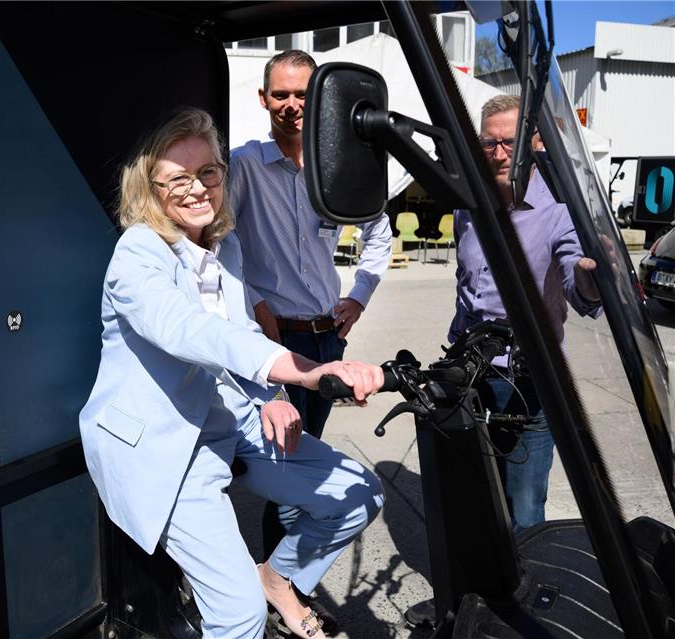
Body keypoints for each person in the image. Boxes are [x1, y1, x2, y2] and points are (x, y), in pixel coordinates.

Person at [79, 108, 386, 639]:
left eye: (208, 173)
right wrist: (308, 371)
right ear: (149, 187)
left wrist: (270, 393)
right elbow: (192, 332)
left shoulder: (226, 246)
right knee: (237, 617)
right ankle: (252, 601)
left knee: (360, 493)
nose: (197, 189)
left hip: (231, 418)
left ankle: (277, 579)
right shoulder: (138, 254)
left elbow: (239, 324)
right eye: (178, 178)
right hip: (170, 443)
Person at [406, 93, 601, 628]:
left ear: (534, 144)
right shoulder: (467, 205)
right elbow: (467, 290)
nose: (496, 152)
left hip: (532, 381)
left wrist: (590, 269)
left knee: (524, 506)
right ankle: (468, 601)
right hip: (469, 375)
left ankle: (519, 615)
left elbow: (577, 282)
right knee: (468, 501)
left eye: (508, 143)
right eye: (488, 142)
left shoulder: (560, 212)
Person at [227, 49, 394, 584]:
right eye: (281, 94)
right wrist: (254, 304)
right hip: (271, 345)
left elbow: (379, 233)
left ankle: (283, 583)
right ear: (263, 99)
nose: (293, 105)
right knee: (284, 476)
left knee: (305, 465)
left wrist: (359, 296)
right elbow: (221, 240)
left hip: (325, 345)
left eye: (304, 94)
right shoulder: (244, 166)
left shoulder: (338, 167)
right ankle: (280, 590)